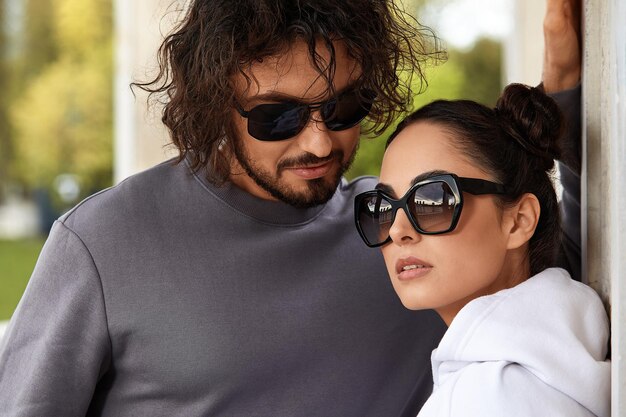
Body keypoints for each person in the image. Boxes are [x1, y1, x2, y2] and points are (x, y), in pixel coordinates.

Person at [0, 0, 583, 416]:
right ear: (213, 101)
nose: (318, 143)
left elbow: (555, 271)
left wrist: (563, 101)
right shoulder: (102, 244)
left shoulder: (404, 239)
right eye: (276, 116)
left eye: (342, 108)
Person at [353, 83, 609, 416]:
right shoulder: (564, 366)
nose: (399, 231)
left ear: (518, 221)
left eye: (432, 200)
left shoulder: (481, 398)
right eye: (384, 208)